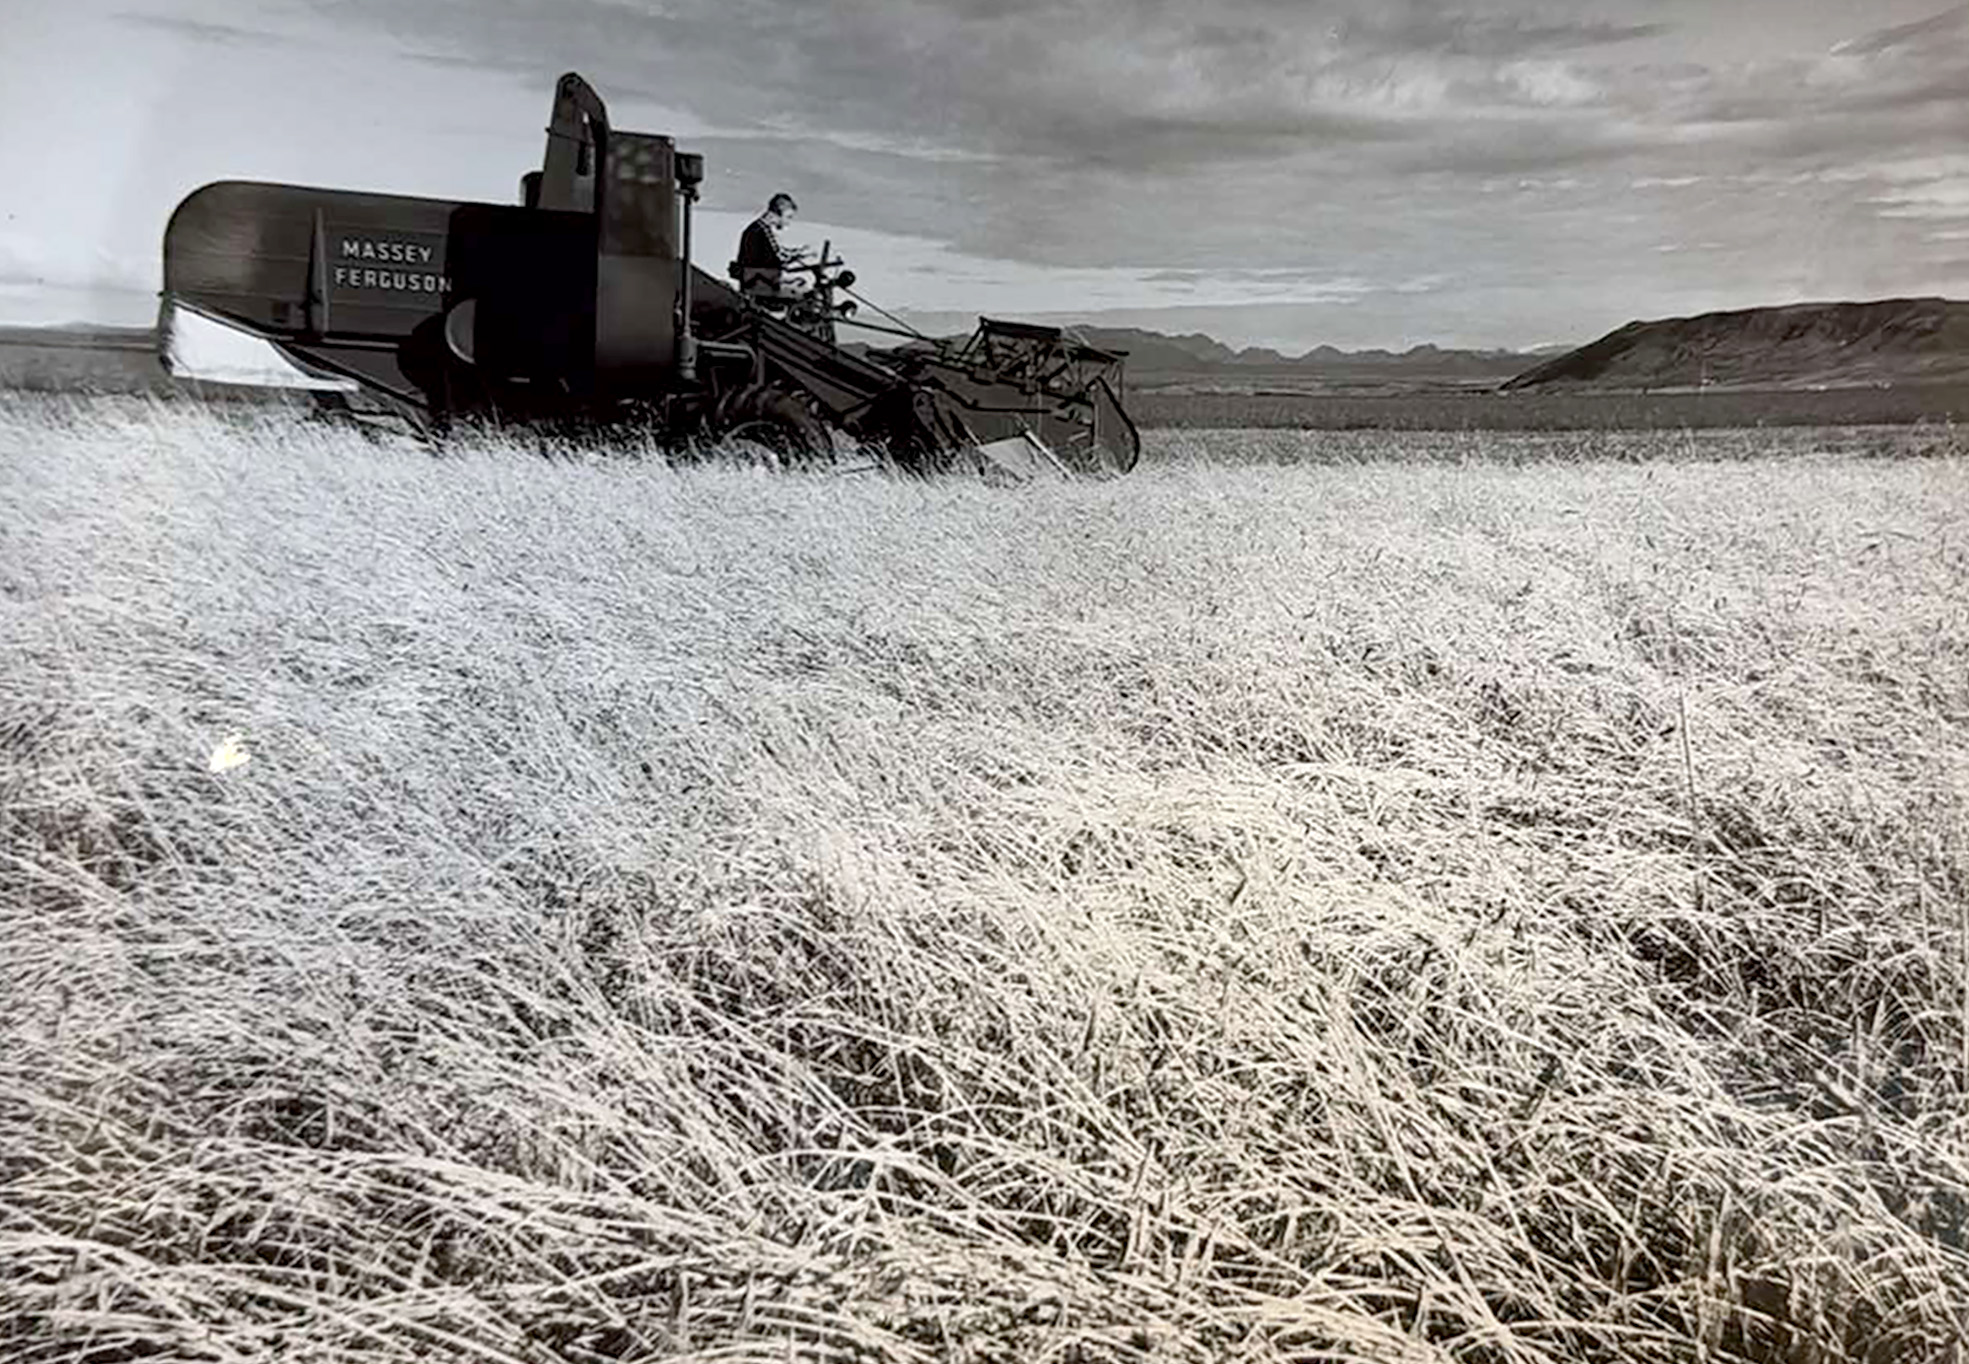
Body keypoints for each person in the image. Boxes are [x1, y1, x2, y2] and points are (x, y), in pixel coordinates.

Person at [734, 192, 812, 299]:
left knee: (800, 285)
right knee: (805, 292)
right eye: (788, 217)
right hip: (760, 285)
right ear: (776, 213)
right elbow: (779, 256)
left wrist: (798, 253)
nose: (788, 222)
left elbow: (775, 252)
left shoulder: (759, 228)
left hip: (758, 280)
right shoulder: (760, 231)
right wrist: (801, 254)